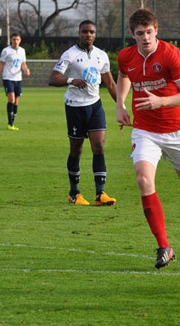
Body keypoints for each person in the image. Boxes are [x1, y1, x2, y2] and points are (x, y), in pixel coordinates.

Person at [116, 8, 180, 270]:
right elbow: (124, 75)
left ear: (156, 30)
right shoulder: (126, 56)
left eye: (149, 32)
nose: (146, 38)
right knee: (143, 179)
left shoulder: (170, 54)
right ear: (133, 35)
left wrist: (161, 101)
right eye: (140, 34)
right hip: (145, 130)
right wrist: (120, 105)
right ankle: (164, 246)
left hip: (176, 130)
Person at [49, 20, 118, 206]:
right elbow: (53, 78)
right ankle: (74, 193)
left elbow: (110, 84)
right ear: (79, 33)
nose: (88, 34)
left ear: (95, 34)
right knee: (76, 150)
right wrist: (71, 80)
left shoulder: (101, 56)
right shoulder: (69, 54)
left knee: (99, 147)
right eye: (85, 31)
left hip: (95, 106)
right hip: (75, 107)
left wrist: (122, 106)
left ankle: (100, 194)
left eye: (91, 32)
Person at [0, 32, 30, 131]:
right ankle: (10, 124)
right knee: (11, 100)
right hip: (8, 78)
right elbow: (1, 65)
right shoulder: (6, 51)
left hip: (18, 78)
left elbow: (23, 64)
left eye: (17, 39)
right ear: (11, 40)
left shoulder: (22, 51)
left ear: (20, 40)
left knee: (16, 102)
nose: (15, 41)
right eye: (14, 39)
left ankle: (12, 122)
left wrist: (26, 69)